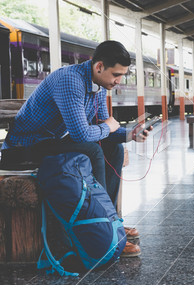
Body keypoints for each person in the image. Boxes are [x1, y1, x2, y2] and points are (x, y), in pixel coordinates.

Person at [0, 40, 147, 257]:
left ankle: (110, 222)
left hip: (48, 142)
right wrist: (108, 127)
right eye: (116, 74)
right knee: (92, 150)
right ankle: (103, 229)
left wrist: (129, 134)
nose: (119, 81)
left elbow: (105, 127)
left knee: (113, 148)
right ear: (99, 67)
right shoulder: (70, 80)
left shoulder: (98, 84)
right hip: (24, 148)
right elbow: (82, 134)